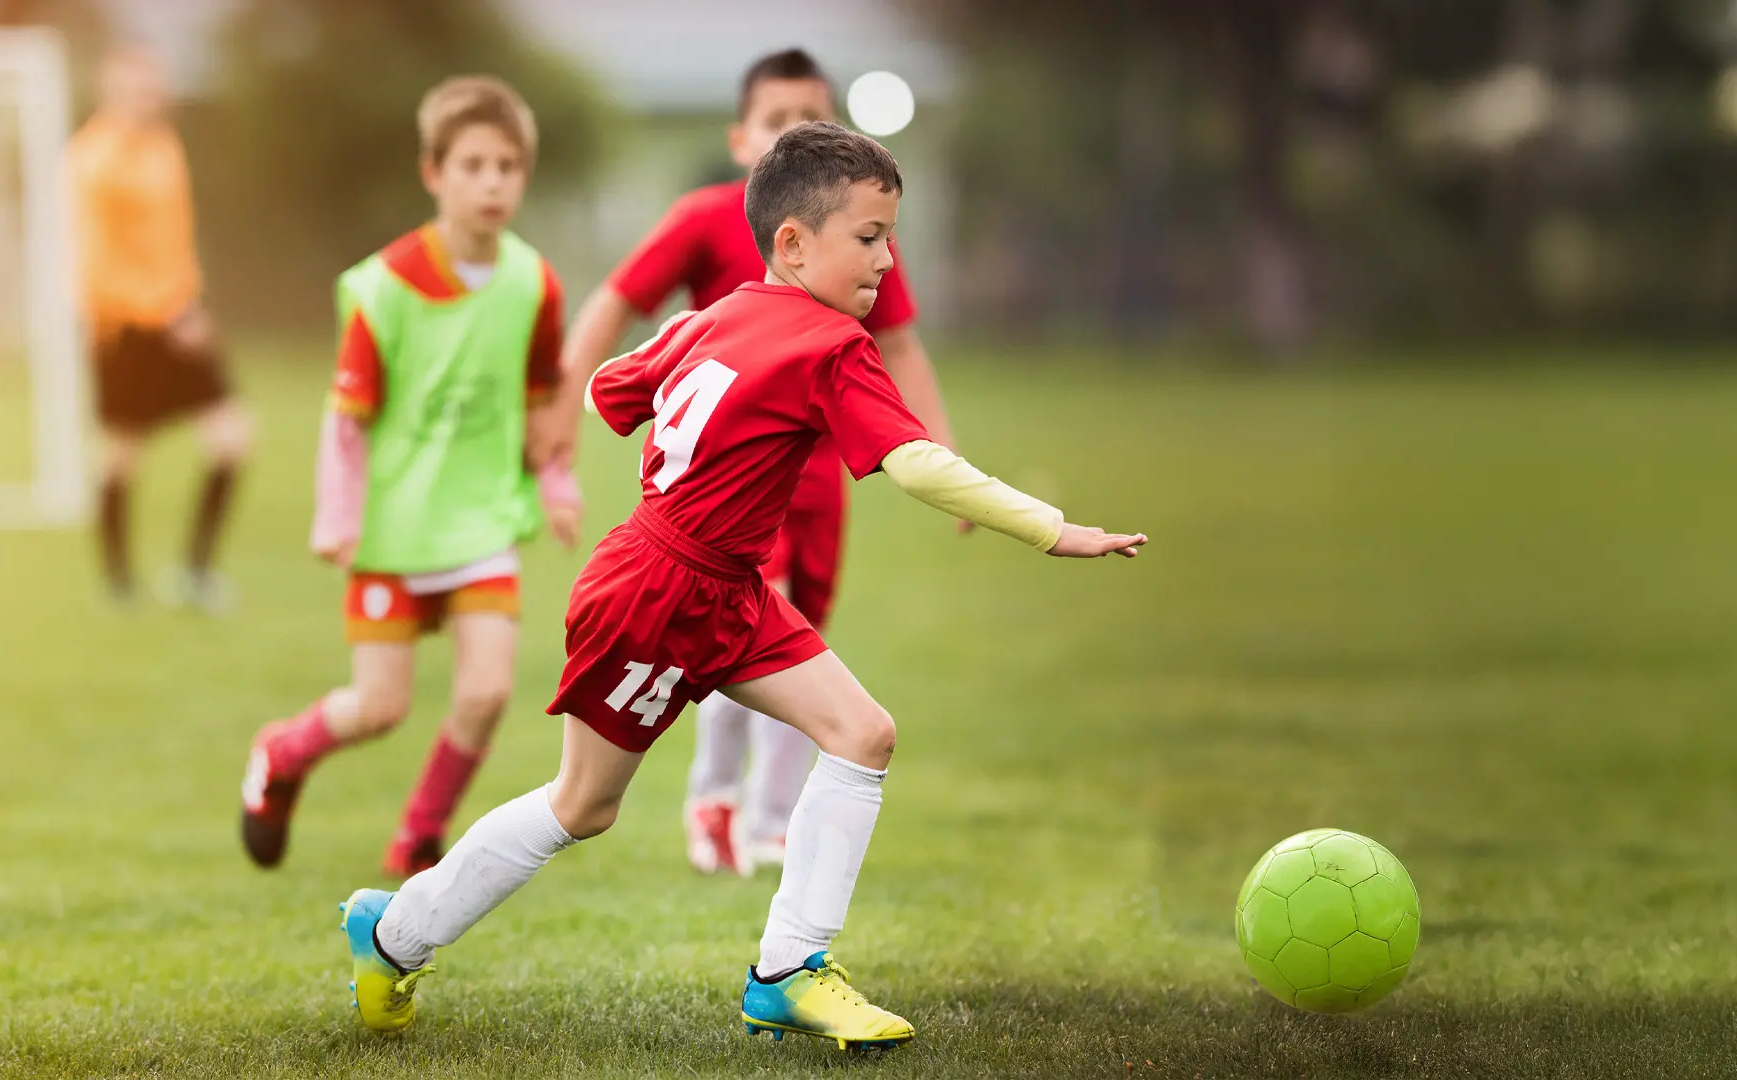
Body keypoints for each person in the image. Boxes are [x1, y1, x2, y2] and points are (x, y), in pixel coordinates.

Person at [336, 122, 1148, 1050]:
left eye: (891, 235)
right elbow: (916, 464)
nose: (889, 259)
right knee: (583, 807)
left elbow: (612, 391)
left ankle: (787, 972)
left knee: (862, 733)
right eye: (870, 237)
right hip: (656, 593)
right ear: (794, 243)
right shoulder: (834, 345)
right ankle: (393, 934)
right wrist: (1053, 530)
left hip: (726, 585)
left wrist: (688, 344)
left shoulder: (723, 312)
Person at [537, 48, 963, 877]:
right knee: (730, 629)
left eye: (812, 117)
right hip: (720, 486)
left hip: (816, 480)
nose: (793, 134)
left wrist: (938, 453)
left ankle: (772, 819)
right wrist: (562, 400)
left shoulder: (861, 239)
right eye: (777, 121)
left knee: (799, 646)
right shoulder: (706, 219)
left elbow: (902, 344)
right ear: (742, 140)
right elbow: (618, 302)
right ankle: (715, 799)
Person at [237, 76, 581, 878]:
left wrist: (557, 487)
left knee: (489, 690)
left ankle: (419, 836)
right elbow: (346, 418)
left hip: (483, 523)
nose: (493, 182)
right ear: (433, 173)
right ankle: (282, 752)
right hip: (395, 531)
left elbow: (543, 404)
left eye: (507, 166)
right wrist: (339, 517)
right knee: (380, 708)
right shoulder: (383, 286)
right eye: (473, 165)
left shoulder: (536, 283)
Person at [68, 45, 252, 612]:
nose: (147, 98)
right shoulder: (92, 160)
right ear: (109, 90)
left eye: (153, 87)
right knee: (121, 455)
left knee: (233, 438)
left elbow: (173, 242)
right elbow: (99, 262)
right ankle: (118, 582)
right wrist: (165, 311)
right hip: (128, 326)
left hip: (178, 317)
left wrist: (188, 302)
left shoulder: (165, 148)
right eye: (134, 88)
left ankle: (195, 572)